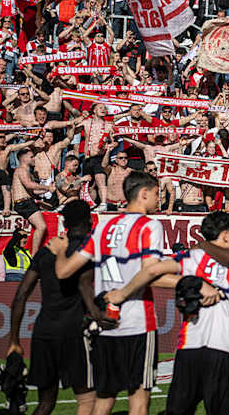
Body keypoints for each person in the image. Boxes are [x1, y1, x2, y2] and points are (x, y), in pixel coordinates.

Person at [103, 211, 229, 415]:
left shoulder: (191, 257)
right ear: (225, 235)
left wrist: (122, 294)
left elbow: (152, 272)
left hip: (188, 349)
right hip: (222, 349)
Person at [51, 171, 171, 415]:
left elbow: (63, 272)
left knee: (104, 399)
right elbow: (151, 271)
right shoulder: (150, 225)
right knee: (139, 400)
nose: (159, 199)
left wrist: (61, 250)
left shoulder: (103, 227)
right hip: (138, 322)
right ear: (143, 193)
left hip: (107, 324)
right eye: (157, 194)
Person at [6, 201, 102, 415]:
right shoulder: (85, 253)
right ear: (89, 221)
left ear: (65, 223)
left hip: (44, 332)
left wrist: (14, 340)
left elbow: (21, 296)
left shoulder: (46, 252)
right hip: (74, 333)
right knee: (87, 400)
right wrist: (101, 316)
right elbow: (86, 289)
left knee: (46, 404)